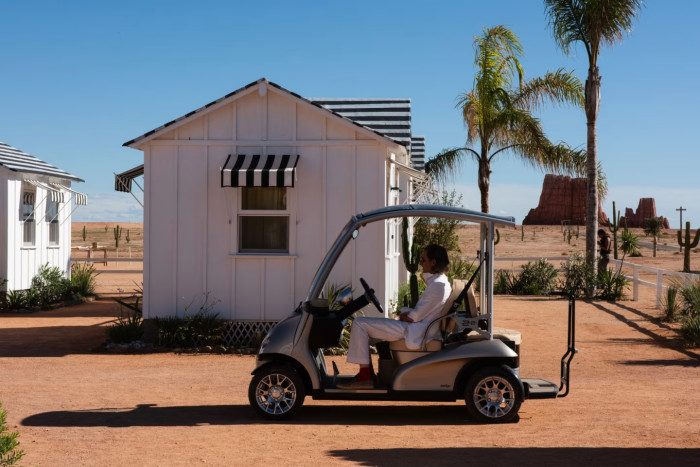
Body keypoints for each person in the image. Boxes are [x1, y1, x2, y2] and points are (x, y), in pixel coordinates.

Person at [338, 244, 452, 389]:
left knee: (360, 323)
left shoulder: (438, 286)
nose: (420, 263)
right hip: (418, 327)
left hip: (417, 330)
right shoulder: (439, 283)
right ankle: (368, 374)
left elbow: (414, 317)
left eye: (423, 260)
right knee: (366, 324)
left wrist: (405, 314)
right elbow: (422, 312)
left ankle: (365, 376)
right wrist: (406, 313)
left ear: (433, 262)